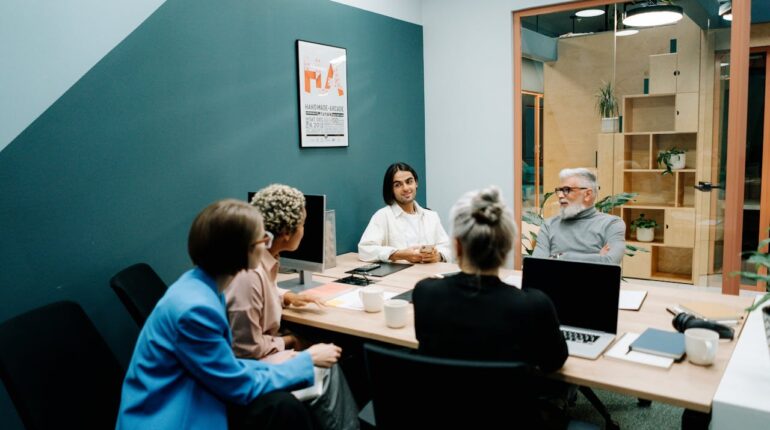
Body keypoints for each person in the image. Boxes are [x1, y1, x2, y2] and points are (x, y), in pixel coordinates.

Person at [116, 199, 341, 430]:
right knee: (285, 409)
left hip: (189, 394)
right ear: (242, 251)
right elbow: (237, 384)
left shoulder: (202, 286)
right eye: (262, 237)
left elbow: (227, 366)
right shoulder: (197, 310)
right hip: (172, 417)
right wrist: (307, 360)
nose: (267, 242)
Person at [226, 185, 359, 430]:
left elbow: (263, 291)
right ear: (287, 232)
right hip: (249, 371)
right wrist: (289, 341)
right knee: (327, 366)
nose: (304, 230)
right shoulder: (249, 273)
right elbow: (246, 351)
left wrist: (288, 297)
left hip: (259, 356)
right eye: (303, 224)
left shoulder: (261, 260)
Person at [413, 186, 567, 368]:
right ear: (508, 246)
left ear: (458, 246)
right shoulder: (535, 306)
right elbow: (554, 362)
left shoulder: (425, 293)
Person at [358, 162, 451, 263]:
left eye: (409, 182)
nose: (406, 188)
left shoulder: (431, 216)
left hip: (431, 274)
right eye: (398, 185)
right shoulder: (383, 216)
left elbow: (448, 248)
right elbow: (365, 250)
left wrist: (438, 256)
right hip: (401, 277)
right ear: (391, 189)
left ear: (416, 183)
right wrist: (398, 255)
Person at [533, 167, 625, 265]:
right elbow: (537, 265)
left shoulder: (611, 224)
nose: (560, 195)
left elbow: (610, 262)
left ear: (587, 194)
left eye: (566, 190)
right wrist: (597, 257)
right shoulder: (549, 225)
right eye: (559, 190)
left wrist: (560, 257)